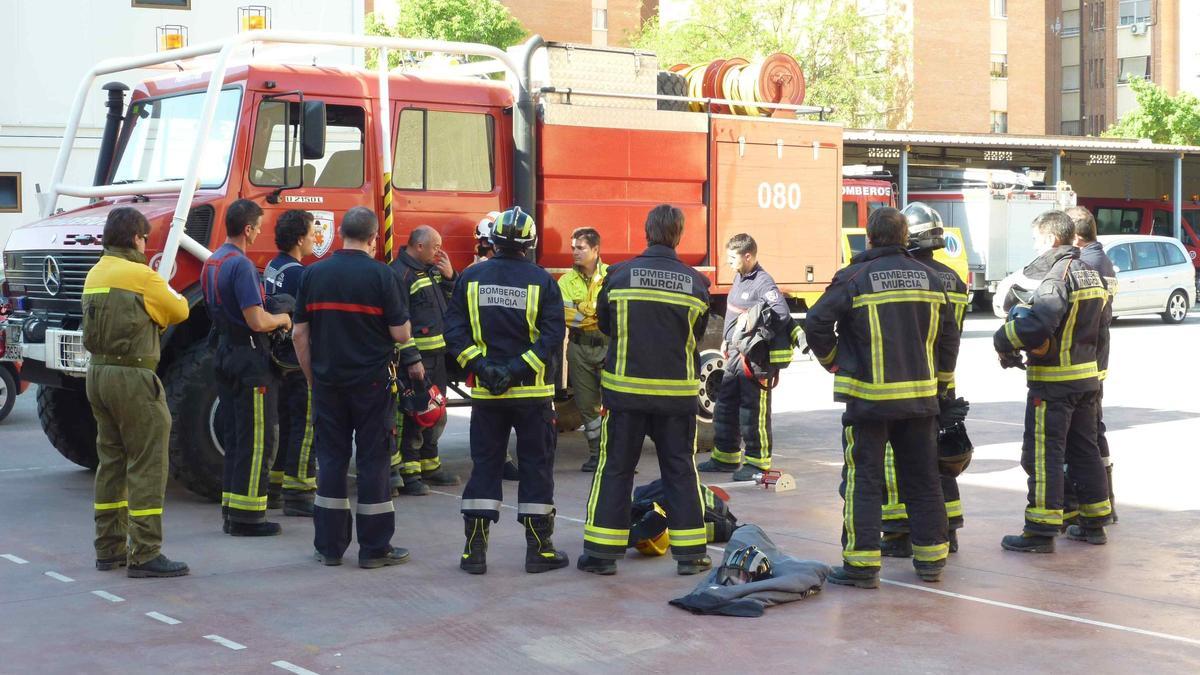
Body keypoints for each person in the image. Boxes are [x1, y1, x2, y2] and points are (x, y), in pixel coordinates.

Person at [804, 207, 959, 588]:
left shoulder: (855, 276)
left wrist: (833, 361)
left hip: (869, 402)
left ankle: (861, 566)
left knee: (865, 480)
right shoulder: (931, 277)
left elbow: (816, 321)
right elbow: (949, 336)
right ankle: (931, 561)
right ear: (904, 238)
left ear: (869, 238)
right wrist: (941, 383)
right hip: (921, 401)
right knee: (923, 479)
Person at [578, 204, 712, 577]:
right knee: (680, 470)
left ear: (647, 232)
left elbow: (605, 323)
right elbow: (695, 336)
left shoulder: (619, 276)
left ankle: (602, 555)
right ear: (679, 235)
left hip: (625, 393)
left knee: (616, 469)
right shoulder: (695, 283)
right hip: (676, 396)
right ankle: (691, 556)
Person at [293, 207, 423, 568]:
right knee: (373, 462)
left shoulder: (313, 274)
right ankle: (374, 548)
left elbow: (299, 333)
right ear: (373, 238)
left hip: (327, 383)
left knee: (331, 461)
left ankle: (329, 548)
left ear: (339, 235)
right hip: (371, 384)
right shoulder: (383, 276)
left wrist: (311, 377)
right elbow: (401, 334)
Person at [445, 206, 568, 575]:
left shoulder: (470, 277)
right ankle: (539, 550)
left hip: (487, 396)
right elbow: (551, 336)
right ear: (529, 245)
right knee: (535, 469)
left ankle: (474, 553)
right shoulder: (543, 282)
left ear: (493, 241)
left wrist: (482, 367)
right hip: (532, 396)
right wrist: (516, 370)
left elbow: (453, 330)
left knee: (485, 468)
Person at [994, 210, 1111, 552]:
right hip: (1087, 379)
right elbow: (1101, 324)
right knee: (1085, 450)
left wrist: (1003, 339)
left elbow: (1037, 327)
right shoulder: (1092, 275)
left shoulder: (1056, 279)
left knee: (1044, 454)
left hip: (1054, 384)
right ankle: (1094, 522)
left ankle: (1040, 531)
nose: (1034, 246)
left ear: (1050, 240)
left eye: (1036, 239)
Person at [83, 207, 190, 577]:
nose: (146, 245)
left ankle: (108, 548)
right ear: (135, 238)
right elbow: (180, 310)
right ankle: (145, 552)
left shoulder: (95, 273)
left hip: (97, 375)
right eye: (145, 238)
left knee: (110, 462)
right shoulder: (142, 276)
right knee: (148, 463)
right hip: (133, 377)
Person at [879, 203, 971, 557]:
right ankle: (949, 528)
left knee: (900, 459)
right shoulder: (954, 278)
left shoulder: (914, 275)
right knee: (940, 455)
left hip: (910, 378)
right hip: (943, 377)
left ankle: (901, 532)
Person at [202, 199, 292, 537]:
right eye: (258, 226)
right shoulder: (240, 266)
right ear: (247, 229)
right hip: (251, 359)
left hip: (224, 353)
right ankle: (249, 518)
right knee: (258, 439)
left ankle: (233, 510)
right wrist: (282, 318)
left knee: (237, 437)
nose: (260, 232)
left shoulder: (212, 261)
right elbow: (256, 320)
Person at [698, 233, 790, 481]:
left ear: (747, 256)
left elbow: (781, 314)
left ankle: (758, 464)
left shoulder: (763, 283)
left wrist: (755, 336)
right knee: (725, 407)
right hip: (733, 357)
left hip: (753, 360)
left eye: (732, 257)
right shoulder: (740, 277)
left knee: (752, 412)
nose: (728, 262)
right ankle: (725, 457)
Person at [389, 225, 461, 496]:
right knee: (414, 417)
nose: (439, 251)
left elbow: (453, 302)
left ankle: (430, 465)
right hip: (417, 361)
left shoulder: (430, 271)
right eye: (435, 246)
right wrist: (411, 359)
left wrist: (451, 277)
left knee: (435, 413)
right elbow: (398, 322)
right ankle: (411, 474)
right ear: (419, 246)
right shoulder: (401, 274)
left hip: (438, 357)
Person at [1064, 205, 1118, 527]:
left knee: (1087, 433)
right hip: (1096, 357)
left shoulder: (1088, 264)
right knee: (1093, 431)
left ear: (1075, 236)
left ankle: (1097, 504)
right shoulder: (1103, 260)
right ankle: (1105, 502)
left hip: (1086, 358)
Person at [264, 209, 317, 517]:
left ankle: (275, 486)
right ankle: (300, 492)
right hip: (298, 361)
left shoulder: (274, 266)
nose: (314, 239)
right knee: (305, 425)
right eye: (311, 233)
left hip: (278, 358)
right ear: (299, 239)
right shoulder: (301, 273)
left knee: (284, 423)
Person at [473, 211, 520, 482]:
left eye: (486, 245)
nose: (484, 251)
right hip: (494, 356)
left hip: (491, 357)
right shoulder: (476, 273)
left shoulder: (479, 273)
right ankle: (499, 459)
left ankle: (500, 459)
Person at [558, 227, 609, 472]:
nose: (575, 253)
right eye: (573, 248)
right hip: (578, 348)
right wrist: (595, 310)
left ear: (595, 249)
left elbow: (612, 314)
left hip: (608, 346)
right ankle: (597, 455)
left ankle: (616, 456)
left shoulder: (612, 276)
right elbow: (568, 315)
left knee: (615, 404)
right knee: (587, 405)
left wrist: (582, 308)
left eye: (581, 248)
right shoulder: (565, 281)